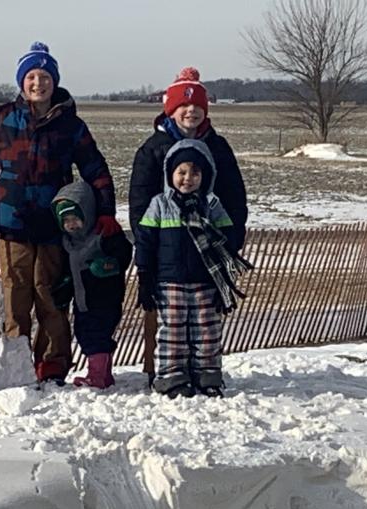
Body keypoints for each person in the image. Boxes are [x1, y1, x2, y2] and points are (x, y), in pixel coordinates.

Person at [0, 42, 121, 385]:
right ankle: (17, 366)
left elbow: (96, 170)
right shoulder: (3, 118)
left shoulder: (71, 126)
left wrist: (105, 212)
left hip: (54, 228)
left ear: (54, 82)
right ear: (21, 82)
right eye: (31, 76)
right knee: (14, 298)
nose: (38, 83)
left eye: (44, 76)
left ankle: (52, 365)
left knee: (51, 297)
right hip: (11, 228)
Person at [129, 67, 248, 387]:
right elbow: (140, 203)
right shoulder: (153, 148)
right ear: (171, 109)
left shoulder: (218, 147)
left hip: (207, 253)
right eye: (183, 106)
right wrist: (146, 252)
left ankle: (204, 374)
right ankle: (164, 374)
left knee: (205, 323)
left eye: (197, 106)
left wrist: (230, 243)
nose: (190, 111)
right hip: (166, 249)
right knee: (169, 323)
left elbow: (235, 198)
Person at [134, 140, 252, 399]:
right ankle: (171, 376)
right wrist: (144, 275)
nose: (188, 179)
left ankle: (207, 375)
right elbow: (145, 240)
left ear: (205, 176)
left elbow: (227, 240)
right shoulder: (159, 205)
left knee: (207, 330)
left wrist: (224, 270)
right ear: (170, 175)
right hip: (170, 281)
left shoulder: (211, 206)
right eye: (182, 172)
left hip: (205, 281)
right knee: (173, 330)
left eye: (195, 173)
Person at [50, 181, 132, 388]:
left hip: (104, 298)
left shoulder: (103, 234)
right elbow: (71, 270)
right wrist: (65, 287)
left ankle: (97, 376)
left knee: (97, 335)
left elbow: (124, 253)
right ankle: (103, 373)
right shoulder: (69, 242)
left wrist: (108, 264)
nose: (71, 224)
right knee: (84, 333)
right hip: (82, 299)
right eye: (66, 220)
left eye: (75, 219)